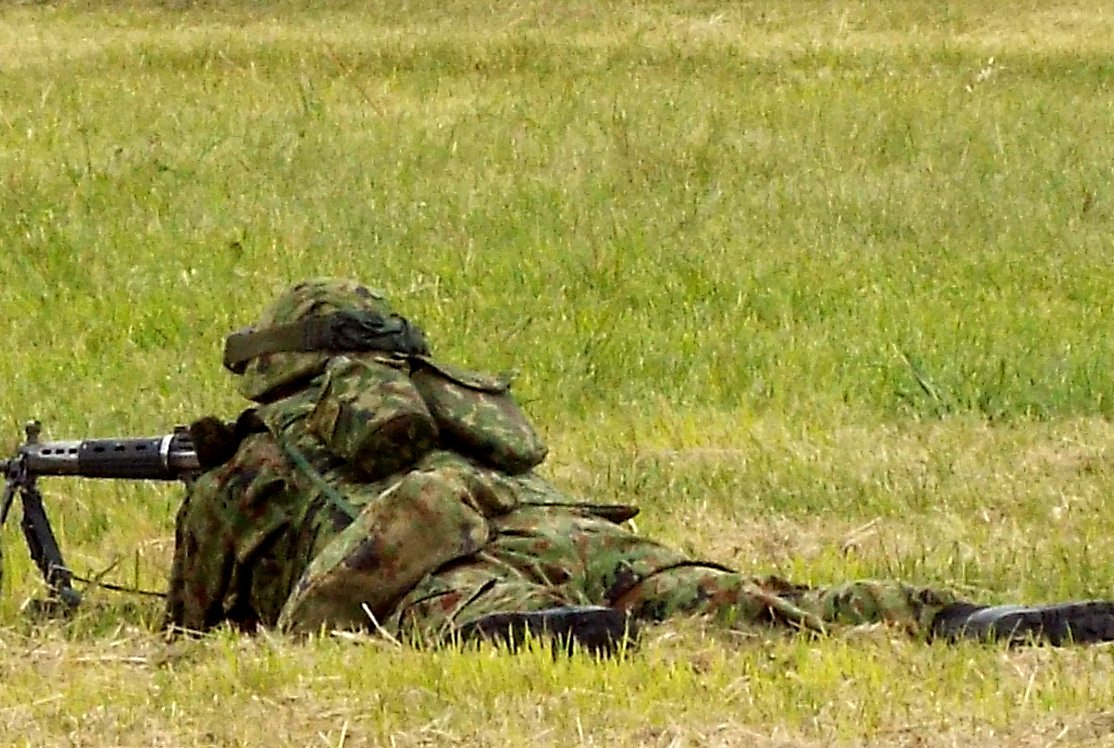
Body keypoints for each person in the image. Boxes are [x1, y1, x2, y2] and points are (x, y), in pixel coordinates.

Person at [164, 279, 1114, 654]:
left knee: (485, 620)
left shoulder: (249, 466)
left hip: (446, 572)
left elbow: (192, 626)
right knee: (754, 601)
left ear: (276, 366)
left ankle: (552, 637)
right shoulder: (449, 415)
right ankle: (953, 618)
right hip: (576, 535)